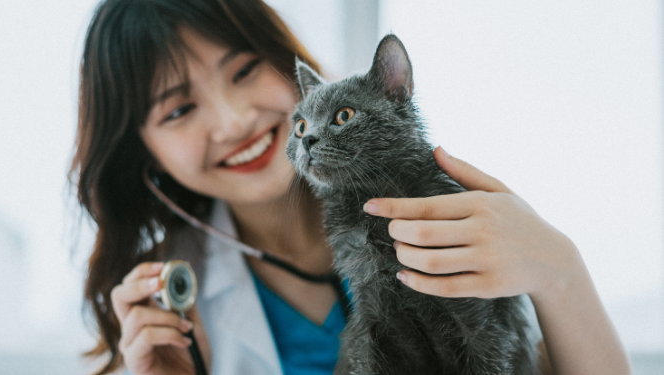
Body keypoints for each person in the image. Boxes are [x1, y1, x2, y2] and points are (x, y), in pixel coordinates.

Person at [70, 0, 631, 374]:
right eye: (180, 109)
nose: (233, 120)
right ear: (144, 153)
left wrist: (561, 274)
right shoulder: (164, 311)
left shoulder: (443, 206)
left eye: (243, 70)